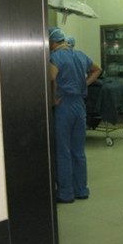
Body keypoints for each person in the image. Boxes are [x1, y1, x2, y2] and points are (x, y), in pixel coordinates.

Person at [49, 27, 102, 203]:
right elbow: (97, 69)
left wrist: (53, 99)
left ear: (51, 42)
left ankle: (65, 193)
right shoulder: (79, 55)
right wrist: (84, 84)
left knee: (63, 150)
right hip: (79, 105)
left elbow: (52, 78)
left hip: (63, 105)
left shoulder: (55, 57)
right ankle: (81, 190)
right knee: (78, 151)